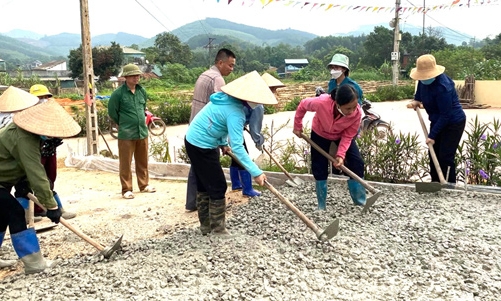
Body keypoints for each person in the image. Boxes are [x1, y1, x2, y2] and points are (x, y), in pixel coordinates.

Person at [185, 71, 276, 235]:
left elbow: (217, 123)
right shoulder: (236, 112)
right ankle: (218, 229)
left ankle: (206, 227)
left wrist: (222, 143)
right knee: (218, 185)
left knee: (204, 184)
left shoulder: (226, 100)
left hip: (194, 140)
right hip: (201, 145)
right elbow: (238, 146)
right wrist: (256, 171)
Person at [0, 95, 81, 274]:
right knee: (14, 213)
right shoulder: (24, 138)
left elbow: (21, 165)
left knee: (1, 216)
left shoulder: (30, 136)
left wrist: (23, 183)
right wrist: (51, 205)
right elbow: (35, 171)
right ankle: (34, 263)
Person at [293, 85, 365, 210]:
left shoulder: (357, 113)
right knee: (319, 166)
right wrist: (297, 126)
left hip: (340, 135)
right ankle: (321, 205)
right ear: (338, 103)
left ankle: (360, 202)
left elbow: (348, 136)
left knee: (356, 163)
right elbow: (303, 105)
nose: (352, 111)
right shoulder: (322, 102)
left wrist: (340, 155)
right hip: (320, 133)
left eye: (354, 107)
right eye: (348, 108)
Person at [15, 84, 76, 220]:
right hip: (31, 151)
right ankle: (26, 214)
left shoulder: (51, 112)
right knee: (28, 181)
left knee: (49, 179)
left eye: (45, 97)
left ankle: (54, 207)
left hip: (49, 149)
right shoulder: (25, 116)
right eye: (39, 97)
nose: (42, 100)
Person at [185, 48, 236, 212]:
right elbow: (222, 109)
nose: (231, 69)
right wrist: (224, 142)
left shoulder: (204, 74)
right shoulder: (218, 79)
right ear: (220, 62)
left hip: (195, 127)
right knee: (214, 177)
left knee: (197, 167)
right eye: (230, 65)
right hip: (207, 131)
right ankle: (213, 208)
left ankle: (192, 203)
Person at [408, 54, 466, 183]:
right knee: (432, 153)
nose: (423, 78)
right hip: (437, 120)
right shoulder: (423, 80)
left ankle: (450, 185)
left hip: (453, 122)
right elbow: (421, 88)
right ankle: (435, 184)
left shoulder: (443, 87)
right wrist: (417, 100)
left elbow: (445, 115)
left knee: (445, 156)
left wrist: (432, 135)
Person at [229, 72, 285, 197]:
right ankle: (248, 189)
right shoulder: (258, 105)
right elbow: (255, 128)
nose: (274, 92)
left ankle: (236, 184)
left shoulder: (250, 99)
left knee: (235, 157)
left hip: (232, 125)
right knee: (243, 155)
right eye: (273, 89)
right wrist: (259, 142)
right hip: (233, 125)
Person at [108, 64, 157, 199]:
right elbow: (112, 111)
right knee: (125, 162)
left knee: (142, 160)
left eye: (138, 75)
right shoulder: (118, 94)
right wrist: (122, 123)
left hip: (142, 131)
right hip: (126, 133)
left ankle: (144, 185)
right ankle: (126, 189)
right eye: (133, 75)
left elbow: (143, 109)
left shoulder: (142, 91)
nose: (136, 78)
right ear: (126, 77)